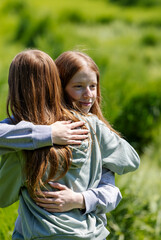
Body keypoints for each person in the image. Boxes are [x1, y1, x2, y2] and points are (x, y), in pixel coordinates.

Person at [0, 50, 140, 239]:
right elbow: (130, 161)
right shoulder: (91, 126)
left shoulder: (22, 142)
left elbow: (3, 197)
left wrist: (80, 199)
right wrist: (50, 133)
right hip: (91, 234)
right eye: (78, 86)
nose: (88, 94)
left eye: (93, 86)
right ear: (58, 86)